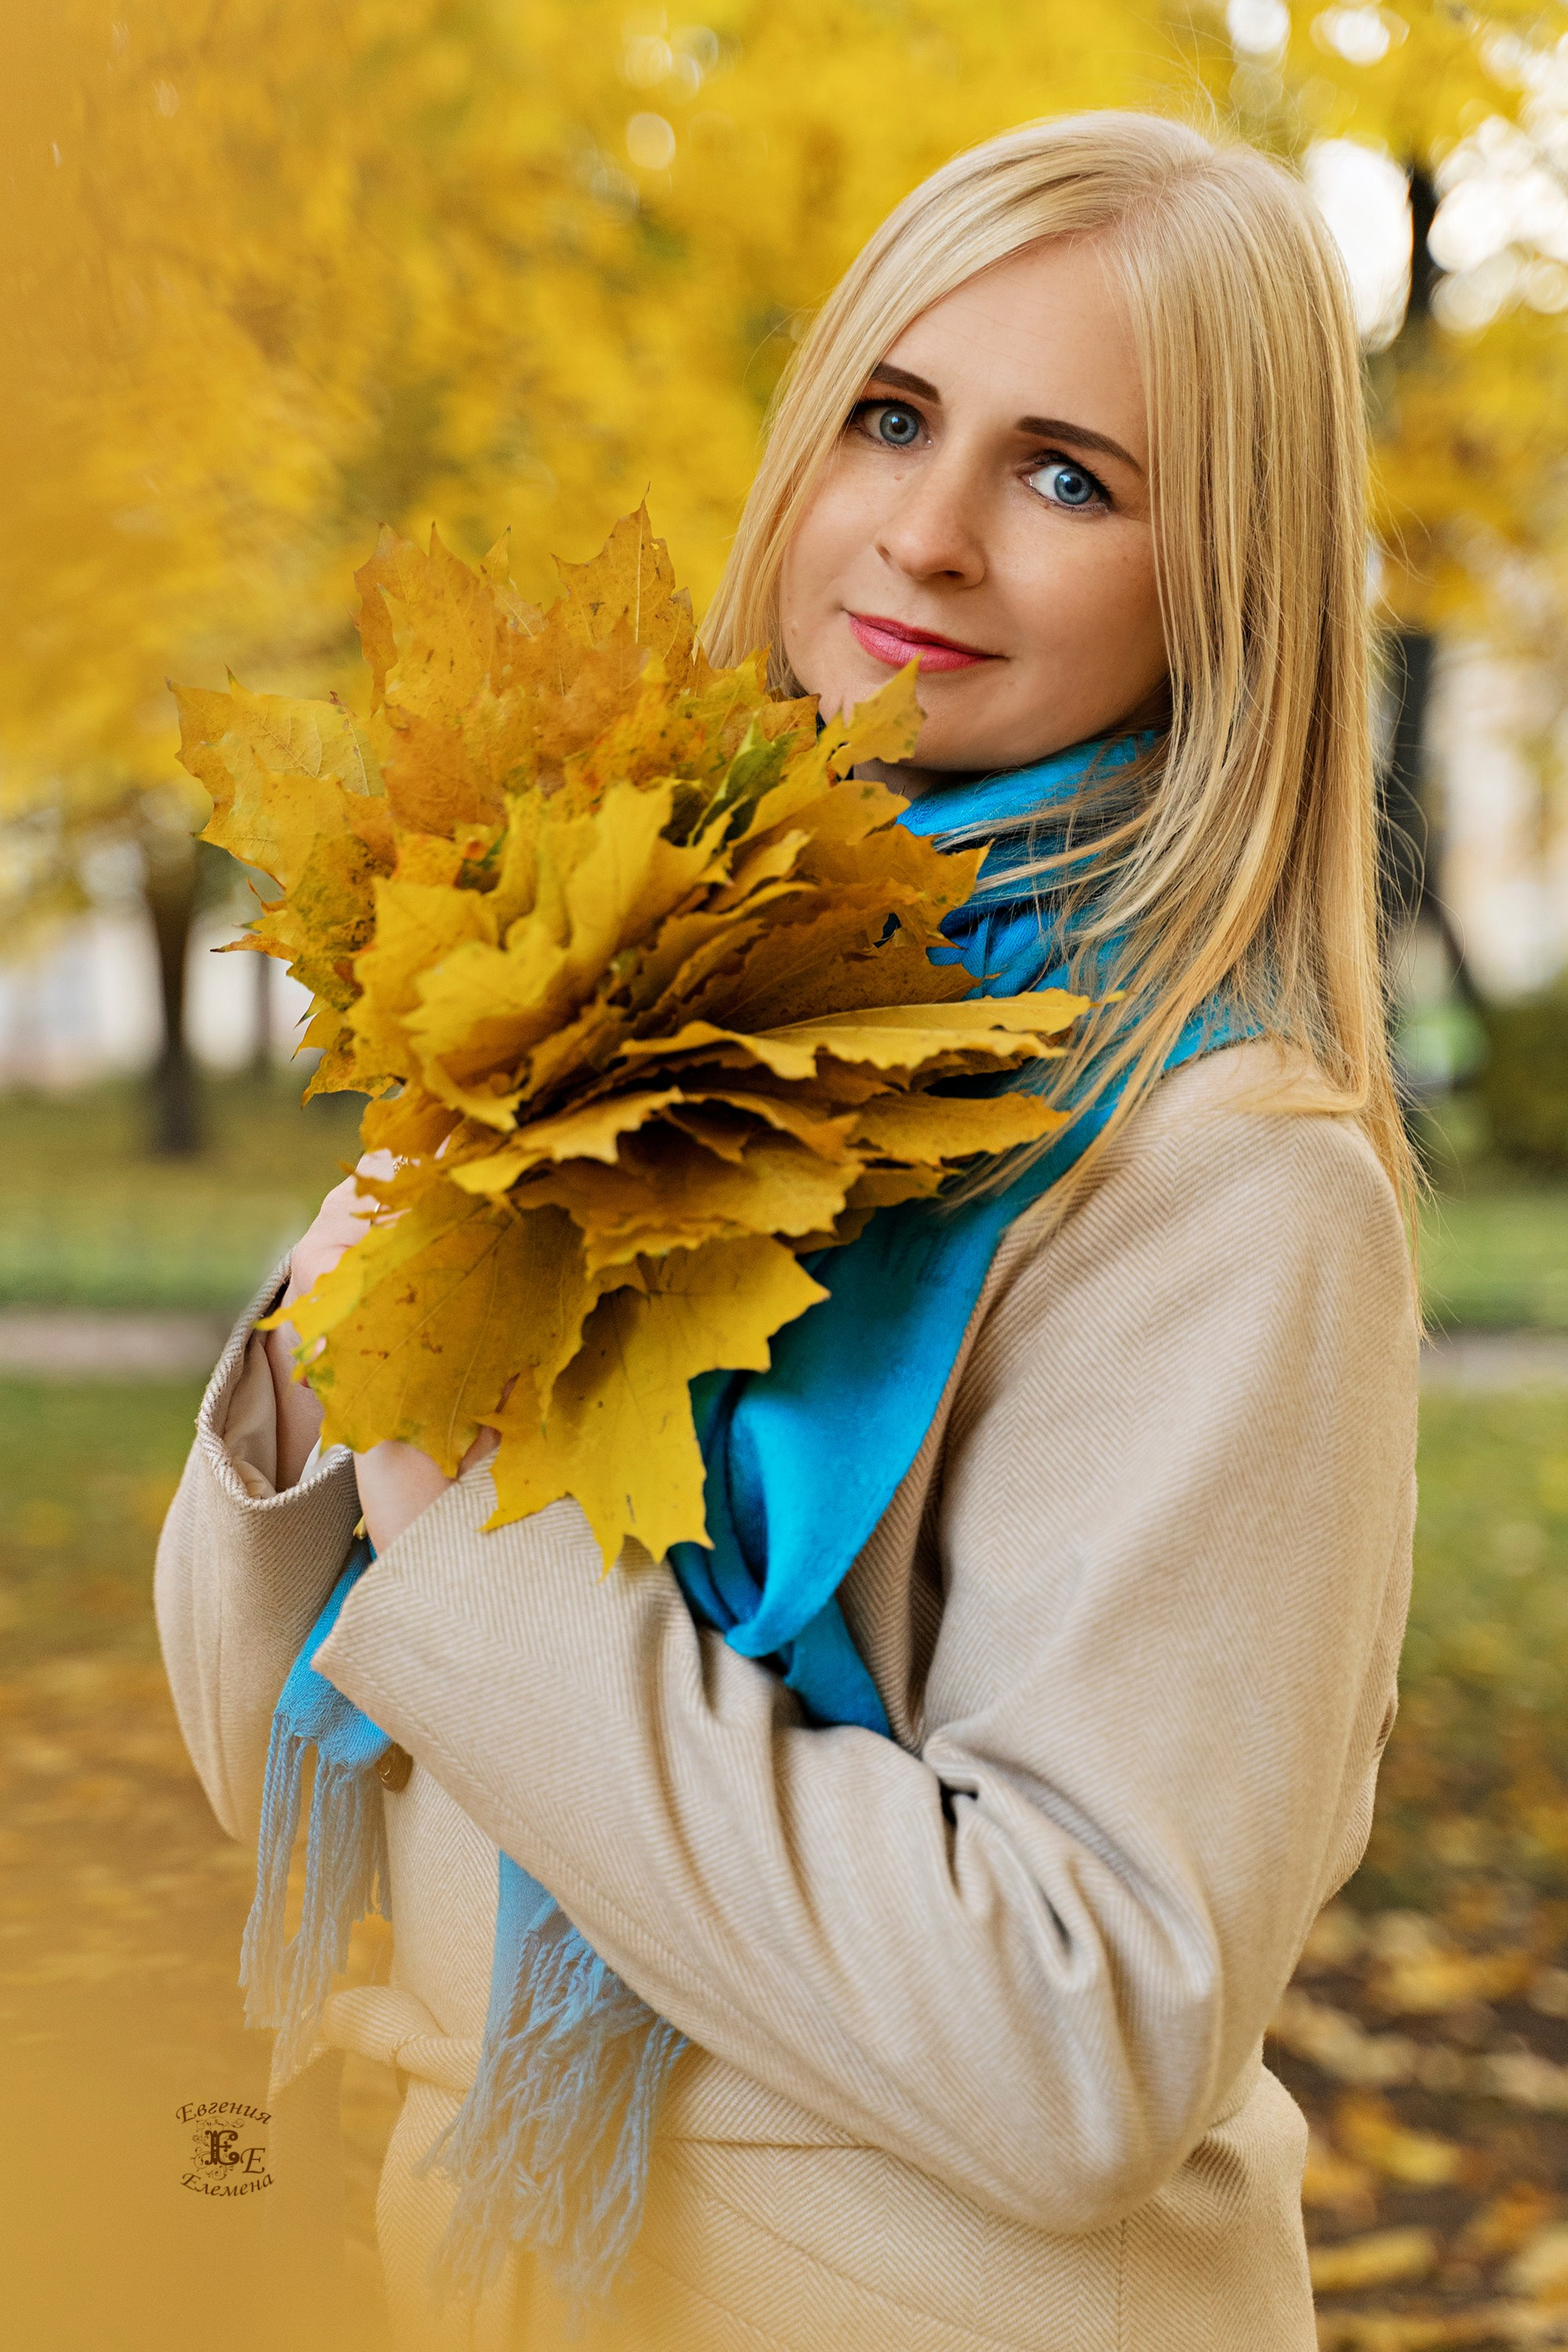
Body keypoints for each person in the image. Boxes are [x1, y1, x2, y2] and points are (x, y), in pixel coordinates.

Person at [157, 110, 1418, 2351]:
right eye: (893, 415)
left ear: (1225, 575)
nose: (924, 537)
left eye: (1069, 477)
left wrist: (470, 1543)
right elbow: (280, 1762)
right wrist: (340, 1354)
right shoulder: (668, 993)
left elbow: (1081, 2040)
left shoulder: (1226, 1187)